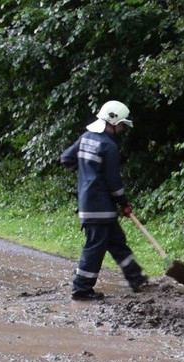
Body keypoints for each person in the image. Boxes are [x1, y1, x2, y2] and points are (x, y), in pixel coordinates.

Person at [60, 100, 148, 300]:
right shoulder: (109, 146)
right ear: (113, 121)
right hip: (99, 207)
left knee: (117, 242)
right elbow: (113, 182)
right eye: (122, 125)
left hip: (93, 205)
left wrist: (86, 172)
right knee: (95, 247)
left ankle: (136, 278)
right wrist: (124, 203)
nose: (123, 129)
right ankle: (81, 289)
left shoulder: (85, 138)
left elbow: (66, 159)